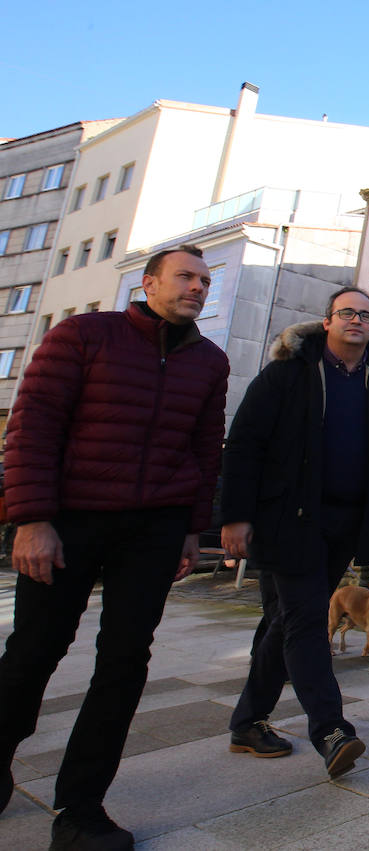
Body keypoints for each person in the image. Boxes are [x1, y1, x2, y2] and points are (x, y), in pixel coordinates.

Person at [0, 246, 229, 849]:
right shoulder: (83, 335)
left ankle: (81, 808)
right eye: (186, 277)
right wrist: (31, 518)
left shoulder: (210, 361)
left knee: (125, 662)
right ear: (149, 283)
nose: (198, 288)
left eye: (206, 280)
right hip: (70, 519)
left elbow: (206, 451)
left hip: (154, 527)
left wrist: (190, 529)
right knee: (33, 651)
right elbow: (33, 424)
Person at [220, 287, 369, 780]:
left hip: (348, 519)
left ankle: (247, 722)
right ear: (326, 321)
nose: (357, 319)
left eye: (366, 314)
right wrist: (233, 515)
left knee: (288, 620)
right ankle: (331, 730)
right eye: (347, 312)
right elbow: (244, 443)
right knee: (308, 619)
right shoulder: (291, 371)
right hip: (290, 517)